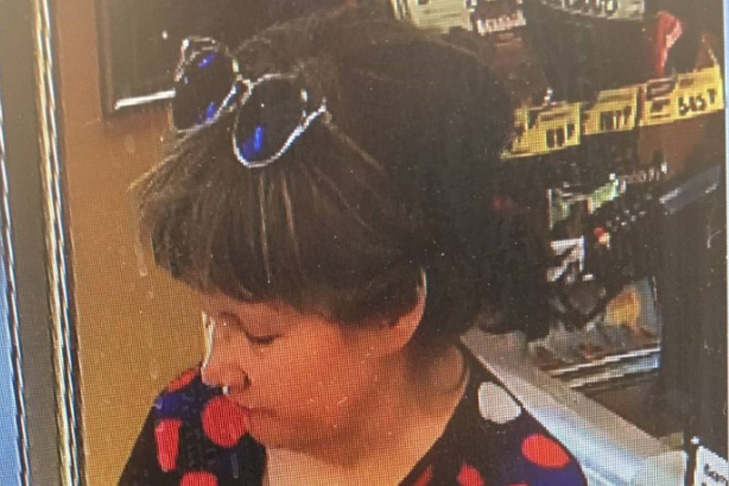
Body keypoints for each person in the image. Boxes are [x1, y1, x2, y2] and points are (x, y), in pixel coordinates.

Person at [119, 5, 587, 486]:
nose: (216, 370)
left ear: (393, 309)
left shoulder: (519, 478)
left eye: (260, 334)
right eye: (212, 318)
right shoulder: (189, 429)